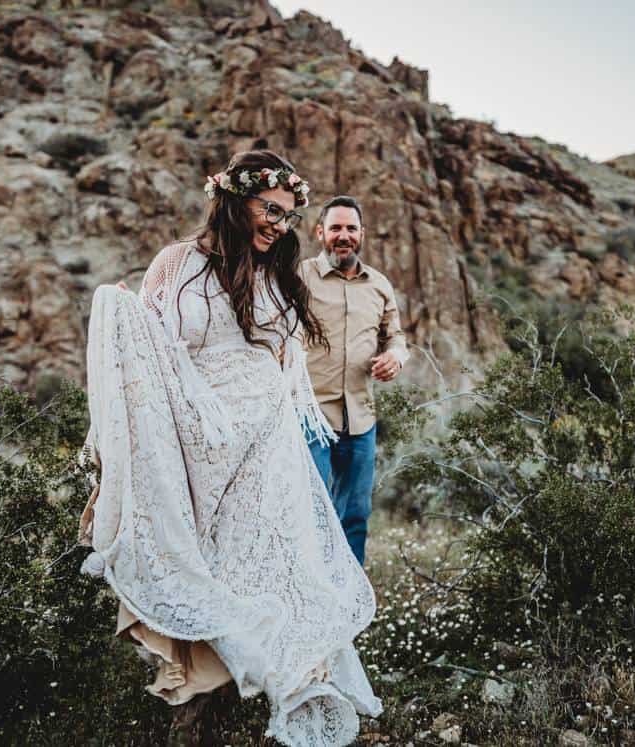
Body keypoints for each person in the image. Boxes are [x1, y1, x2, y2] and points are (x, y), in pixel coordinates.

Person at [80, 150, 381, 746]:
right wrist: (124, 318)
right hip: (196, 450)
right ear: (233, 199)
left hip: (265, 449)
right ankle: (196, 718)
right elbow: (160, 355)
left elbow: (282, 361)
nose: (280, 224)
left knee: (273, 567)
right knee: (205, 570)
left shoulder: (276, 277)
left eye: (290, 215)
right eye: (272, 209)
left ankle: (283, 691)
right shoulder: (177, 265)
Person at [301, 195, 409, 566]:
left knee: (356, 515)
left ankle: (350, 605)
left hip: (361, 416)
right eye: (335, 228)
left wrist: (395, 356)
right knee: (313, 513)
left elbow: (395, 336)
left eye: (350, 228)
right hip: (310, 416)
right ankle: (309, 601)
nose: (343, 236)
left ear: (361, 234)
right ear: (320, 233)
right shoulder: (299, 277)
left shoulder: (379, 285)